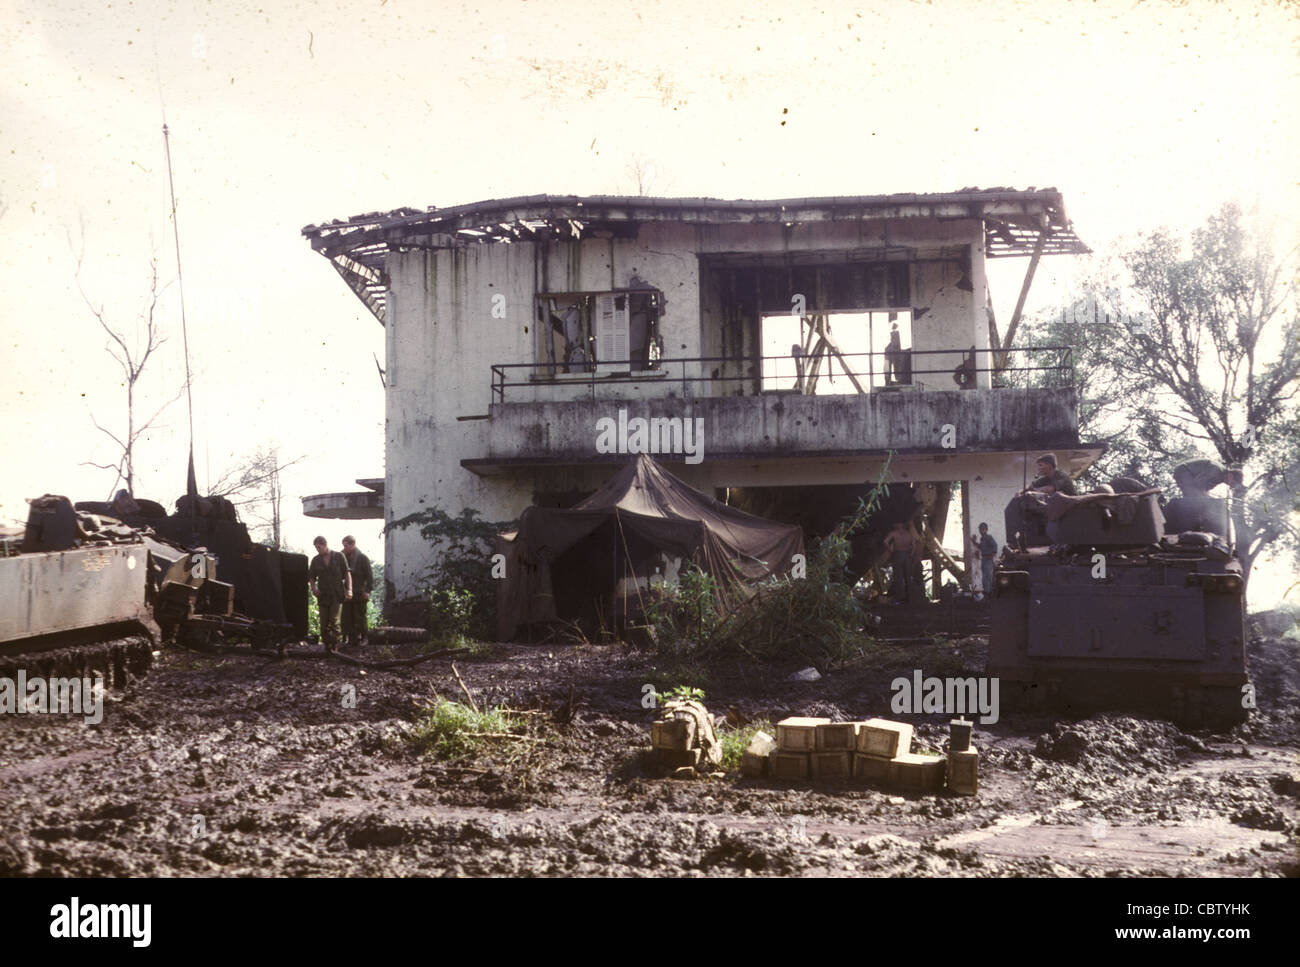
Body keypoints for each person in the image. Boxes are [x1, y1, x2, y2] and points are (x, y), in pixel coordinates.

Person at [309, 536, 352, 652]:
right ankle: (326, 645)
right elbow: (312, 577)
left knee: (334, 620)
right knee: (323, 622)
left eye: (319, 547)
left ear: (325, 544)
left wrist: (349, 590)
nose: (317, 549)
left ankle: (335, 646)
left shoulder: (339, 556)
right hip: (322, 595)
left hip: (336, 594)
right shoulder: (316, 560)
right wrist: (314, 589)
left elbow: (347, 573)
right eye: (316, 547)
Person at [340, 535, 373, 647]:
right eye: (343, 546)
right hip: (348, 592)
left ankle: (364, 638)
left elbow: (370, 576)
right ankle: (351, 639)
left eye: (346, 545)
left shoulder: (363, 558)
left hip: (360, 592)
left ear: (353, 544)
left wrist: (367, 591)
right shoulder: (344, 557)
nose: (344, 548)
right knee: (347, 616)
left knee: (360, 616)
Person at [883, 521, 918, 603]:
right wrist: (911, 554)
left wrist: (890, 550)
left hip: (897, 554)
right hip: (907, 555)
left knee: (898, 576)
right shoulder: (909, 534)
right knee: (908, 576)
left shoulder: (894, 533)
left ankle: (900, 598)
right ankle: (909, 597)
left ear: (900, 524)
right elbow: (914, 546)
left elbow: (885, 541)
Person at [971, 523, 998, 596]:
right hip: (984, 559)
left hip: (988, 559)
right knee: (984, 577)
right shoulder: (982, 539)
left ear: (986, 530)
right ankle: (987, 592)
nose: (981, 531)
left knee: (988, 576)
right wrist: (974, 542)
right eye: (980, 529)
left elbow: (995, 546)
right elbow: (981, 547)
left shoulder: (989, 537)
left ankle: (990, 593)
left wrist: (992, 555)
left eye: (983, 529)